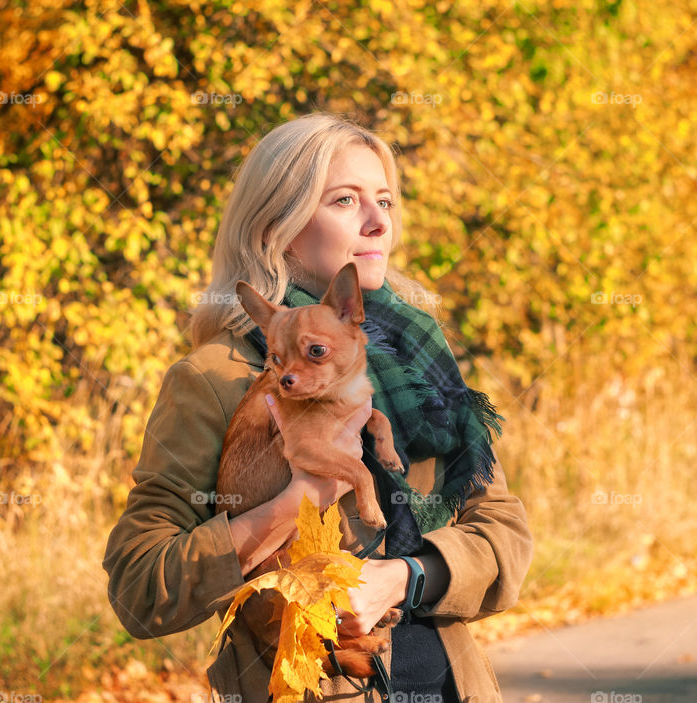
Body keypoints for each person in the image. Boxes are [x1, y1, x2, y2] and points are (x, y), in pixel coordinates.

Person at [102, 113, 533, 702]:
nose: (378, 221)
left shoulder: (418, 359)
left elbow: (502, 534)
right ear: (276, 226)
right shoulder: (212, 379)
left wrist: (402, 579)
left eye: (384, 200)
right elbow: (139, 588)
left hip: (453, 687)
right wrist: (292, 505)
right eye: (345, 201)